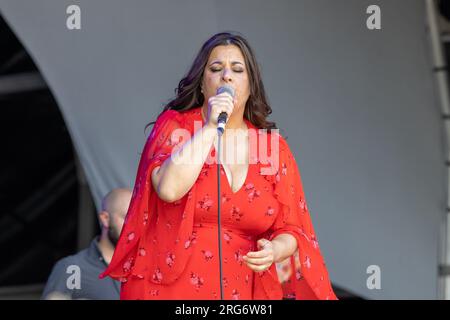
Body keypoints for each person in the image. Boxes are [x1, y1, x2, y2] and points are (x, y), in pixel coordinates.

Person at [100, 32, 337, 300]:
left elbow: (293, 229)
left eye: (237, 70)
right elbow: (168, 188)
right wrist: (211, 127)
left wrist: (275, 250)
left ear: (250, 86)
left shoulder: (273, 147)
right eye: (216, 69)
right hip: (170, 287)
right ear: (202, 85)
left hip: (244, 288)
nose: (226, 76)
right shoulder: (177, 127)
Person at [42, 188, 132, 300]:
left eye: (138, 219)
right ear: (105, 219)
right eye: (127, 217)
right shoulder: (73, 268)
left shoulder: (145, 267)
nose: (133, 226)